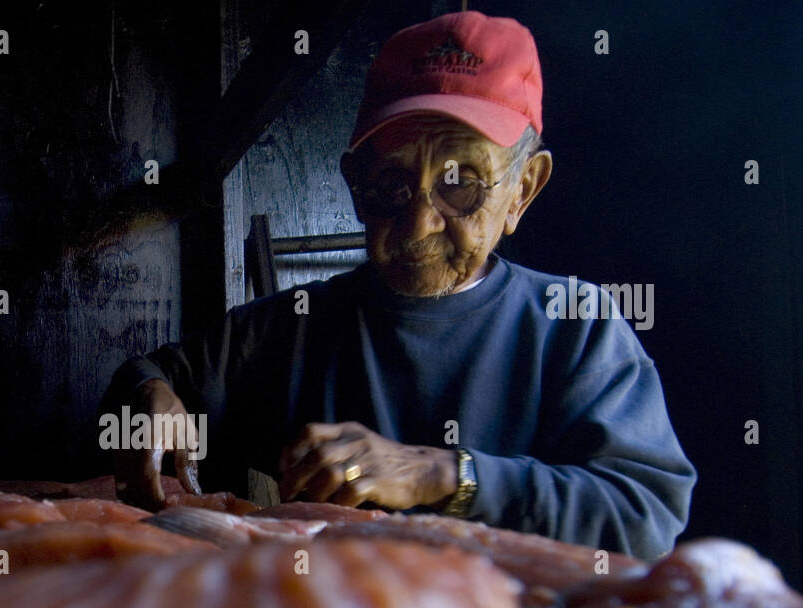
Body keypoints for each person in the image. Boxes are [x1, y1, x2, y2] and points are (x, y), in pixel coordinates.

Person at [101, 10, 695, 560]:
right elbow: (151, 377)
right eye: (391, 183)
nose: (418, 224)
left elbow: (643, 517)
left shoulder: (576, 325)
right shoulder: (294, 326)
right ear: (355, 185)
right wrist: (145, 396)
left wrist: (439, 474)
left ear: (522, 190)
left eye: (460, 183)